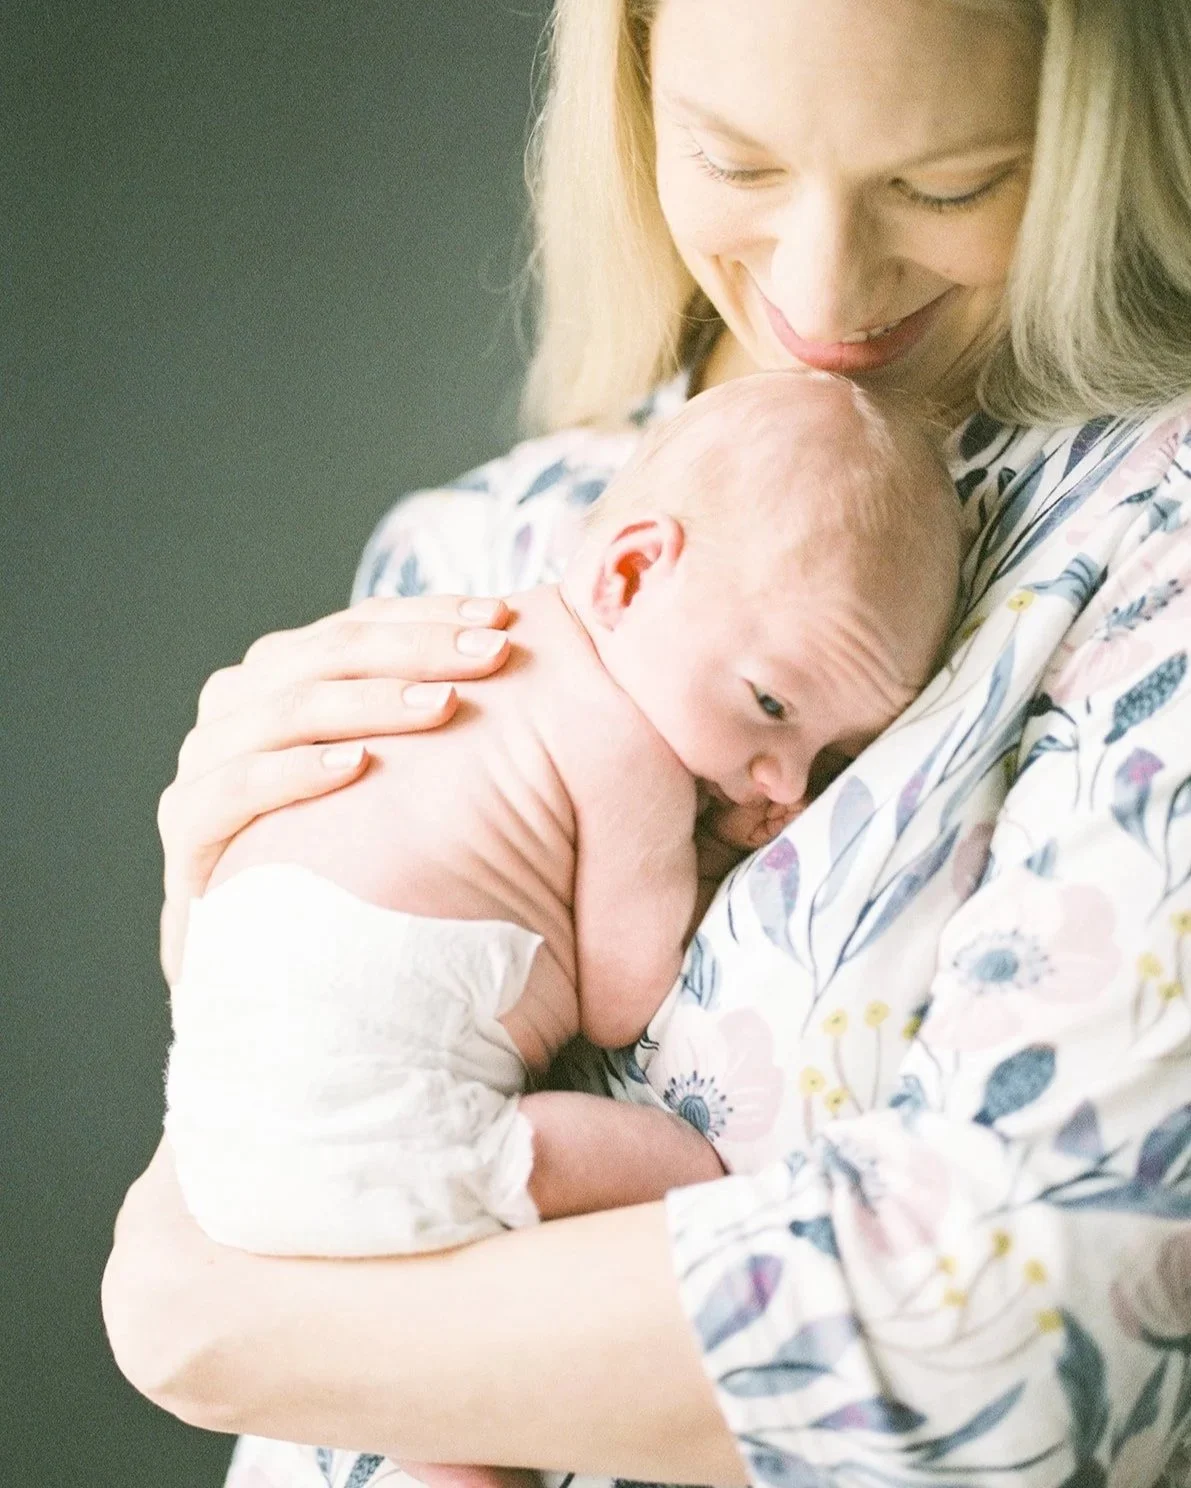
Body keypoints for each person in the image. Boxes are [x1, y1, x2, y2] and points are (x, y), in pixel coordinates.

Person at [101, 2, 1191, 1488]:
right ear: (629, 102)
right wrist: (218, 905)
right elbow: (325, 1085)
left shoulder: (1148, 534)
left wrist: (211, 1321)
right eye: (731, 164)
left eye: (946, 186)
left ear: (1094, 137)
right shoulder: (463, 544)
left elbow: (1029, 1329)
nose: (823, 294)